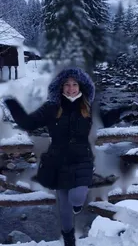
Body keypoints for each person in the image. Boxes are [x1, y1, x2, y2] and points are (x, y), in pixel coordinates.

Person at [4, 67, 95, 246]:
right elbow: (28, 123)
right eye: (66, 85)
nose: (70, 88)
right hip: (58, 162)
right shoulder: (51, 107)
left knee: (77, 197)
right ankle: (69, 238)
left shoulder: (87, 106)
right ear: (60, 87)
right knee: (64, 207)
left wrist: (121, 112)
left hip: (82, 160)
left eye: (74, 84)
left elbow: (105, 119)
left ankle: (77, 205)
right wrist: (11, 102)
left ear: (81, 86)